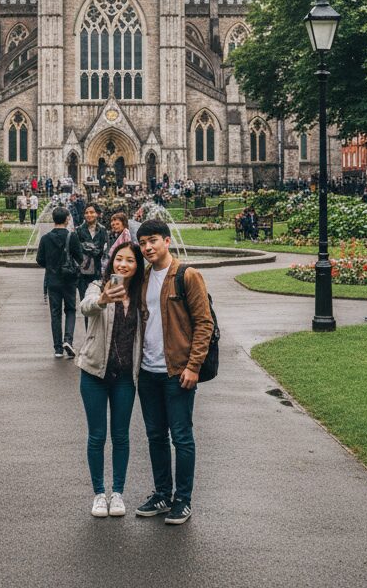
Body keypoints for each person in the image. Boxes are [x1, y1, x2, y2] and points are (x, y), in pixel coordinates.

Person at [134, 218, 212, 526]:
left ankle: (183, 499)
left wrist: (194, 366)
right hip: (148, 371)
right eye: (142, 243)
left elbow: (204, 323)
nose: (148, 247)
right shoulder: (141, 278)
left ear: (167, 240)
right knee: (155, 435)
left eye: (153, 240)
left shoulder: (187, 275)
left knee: (181, 436)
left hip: (177, 370)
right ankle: (163, 494)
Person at [76, 237, 145, 518]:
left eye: (130, 260)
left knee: (121, 436)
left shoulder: (141, 294)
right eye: (119, 259)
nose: (123, 264)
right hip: (94, 372)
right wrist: (103, 299)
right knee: (96, 436)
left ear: (137, 266)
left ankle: (117, 493)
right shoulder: (97, 286)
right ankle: (98, 493)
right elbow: (86, 305)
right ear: (112, 261)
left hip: (125, 377)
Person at [36, 206, 84, 358]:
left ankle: (57, 348)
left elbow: (39, 259)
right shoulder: (72, 236)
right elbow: (80, 258)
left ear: (53, 219)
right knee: (70, 310)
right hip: (69, 280)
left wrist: (51, 266)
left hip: (53, 280)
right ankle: (68, 339)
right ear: (67, 219)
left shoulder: (45, 238)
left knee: (55, 313)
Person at [76, 203, 108, 310]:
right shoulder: (79, 230)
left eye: (92, 212)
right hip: (83, 272)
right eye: (86, 213)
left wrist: (89, 248)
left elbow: (104, 249)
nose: (89, 215)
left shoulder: (102, 230)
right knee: (85, 304)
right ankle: (87, 327)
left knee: (97, 303)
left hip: (98, 272)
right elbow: (77, 249)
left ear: (97, 214)